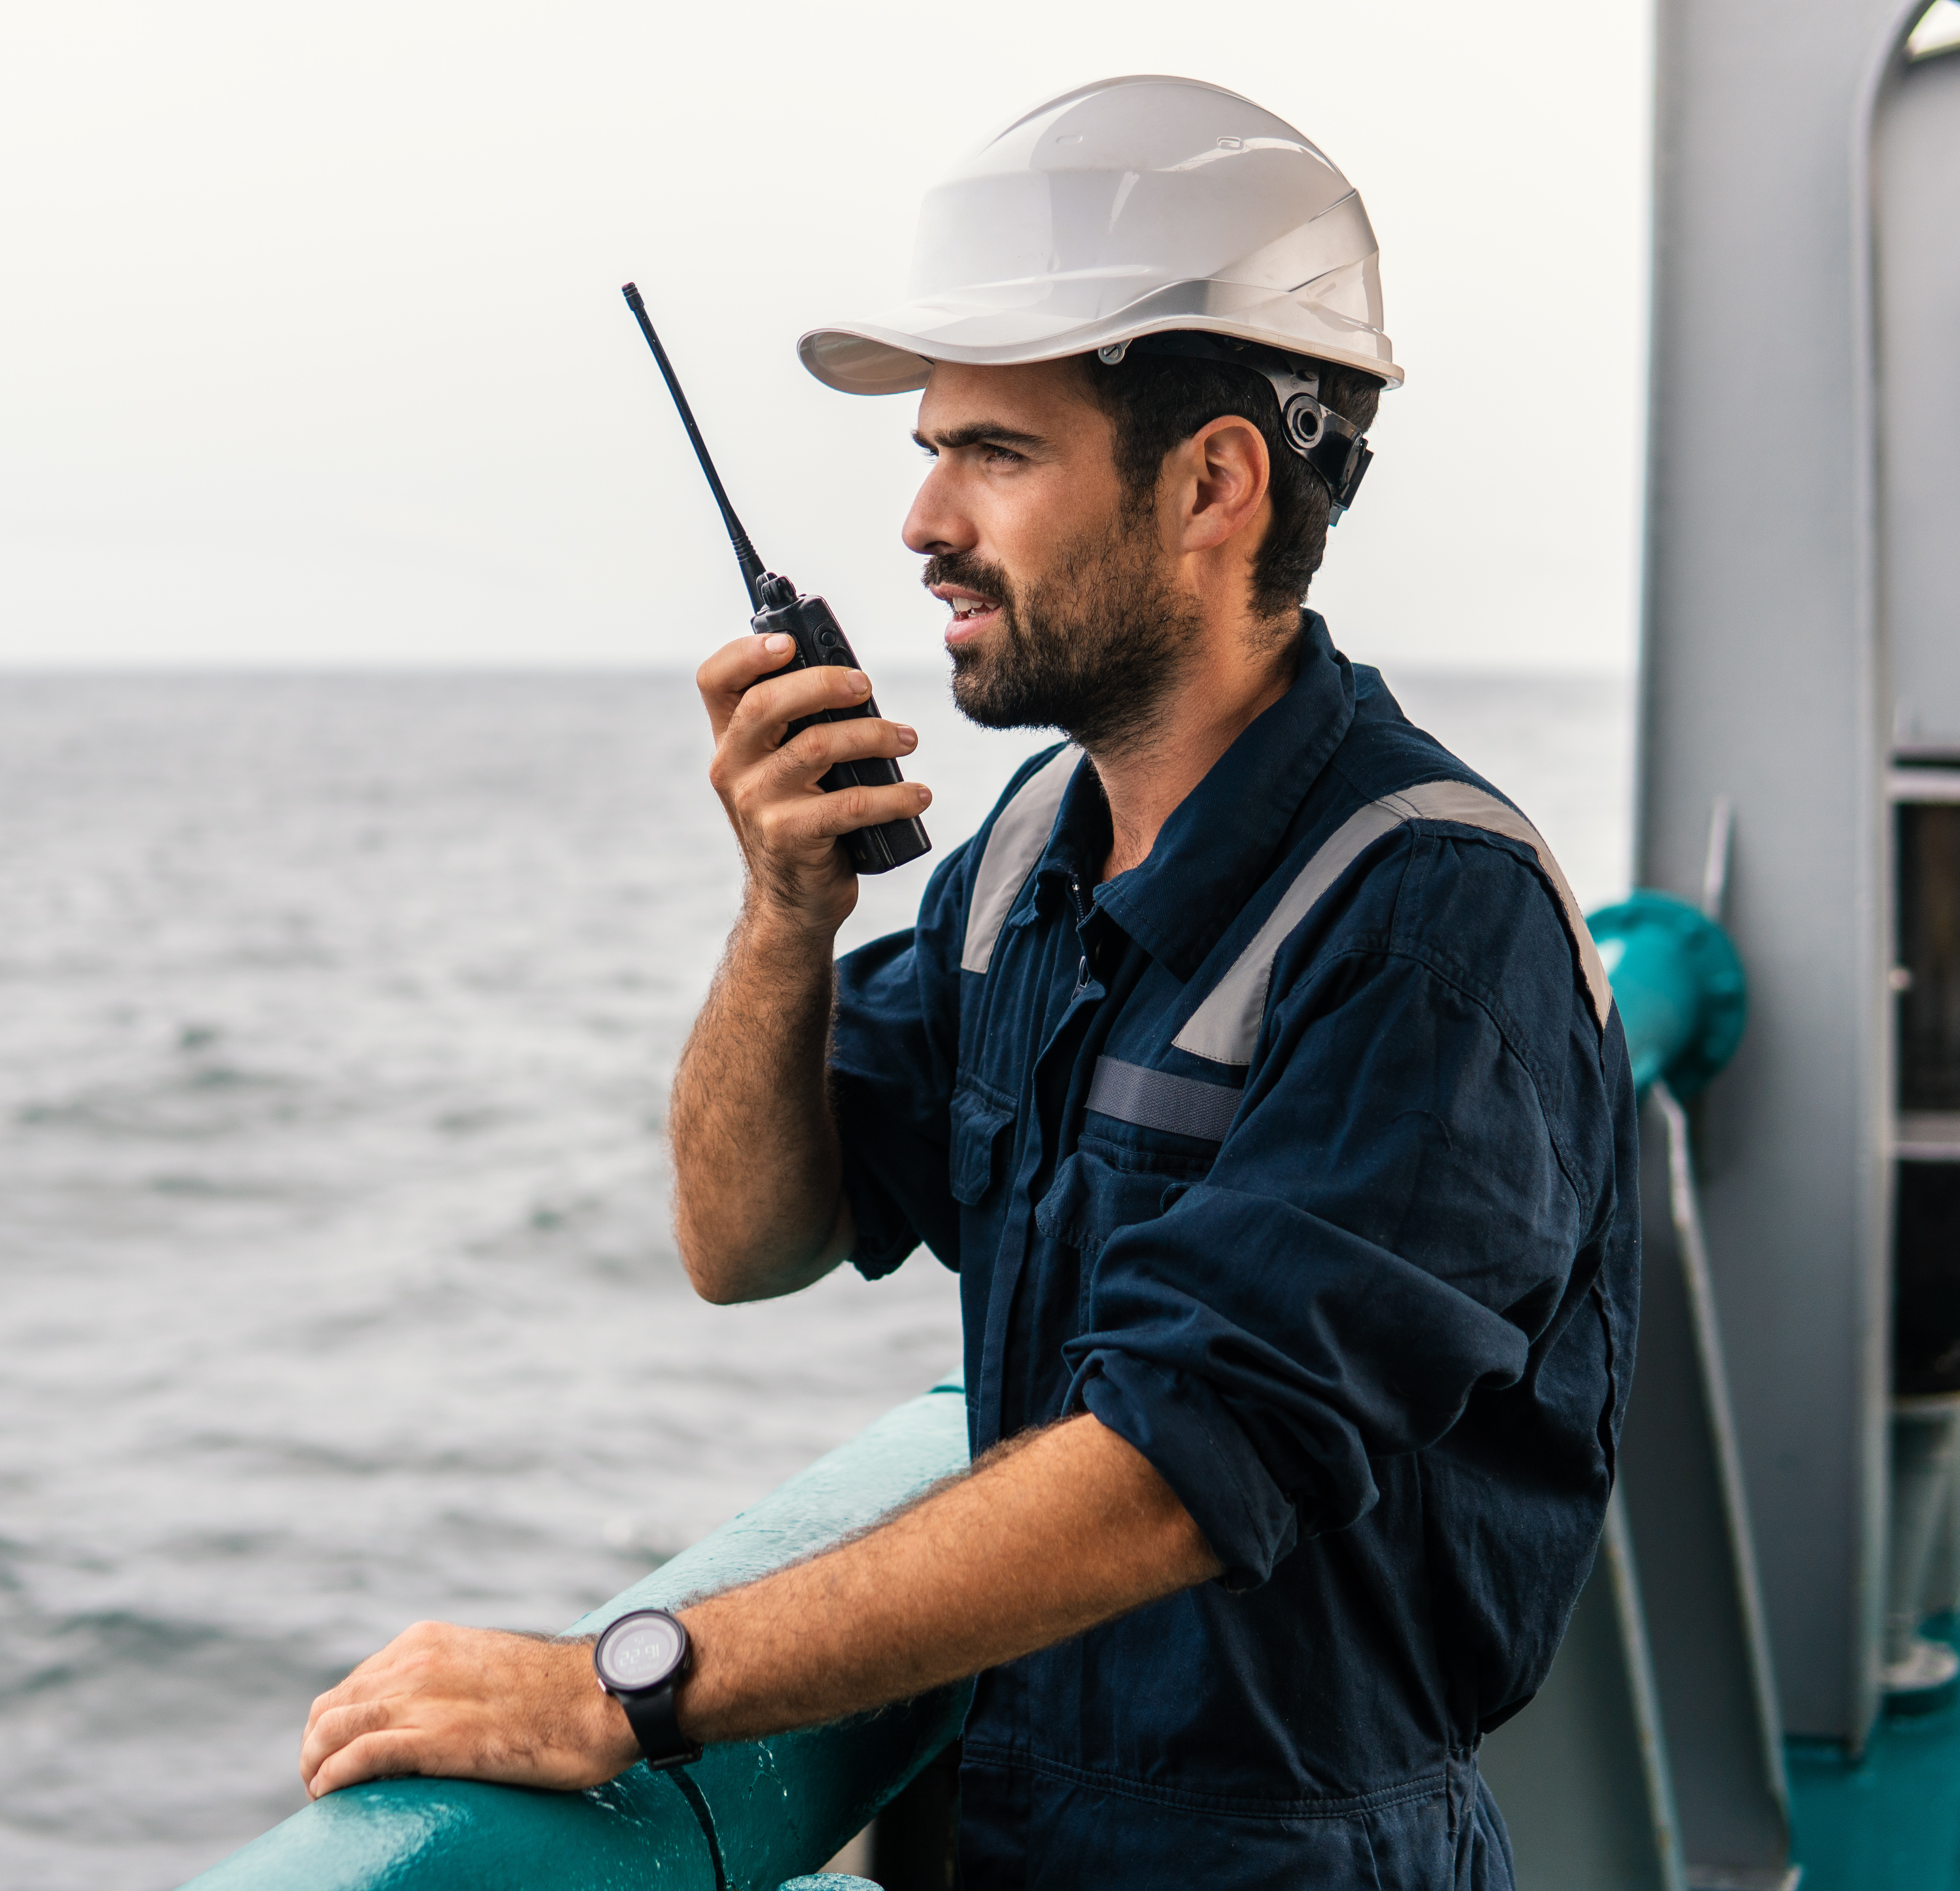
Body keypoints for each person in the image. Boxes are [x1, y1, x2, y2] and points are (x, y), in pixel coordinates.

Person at [298, 75, 1638, 1890]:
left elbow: (1184, 1463)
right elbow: (747, 1237)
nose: (925, 517)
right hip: (1005, 1834)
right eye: (932, 449)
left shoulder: (1431, 931)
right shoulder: (1030, 857)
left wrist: (627, 1688)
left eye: (994, 452)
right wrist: (785, 906)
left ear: (1215, 484)